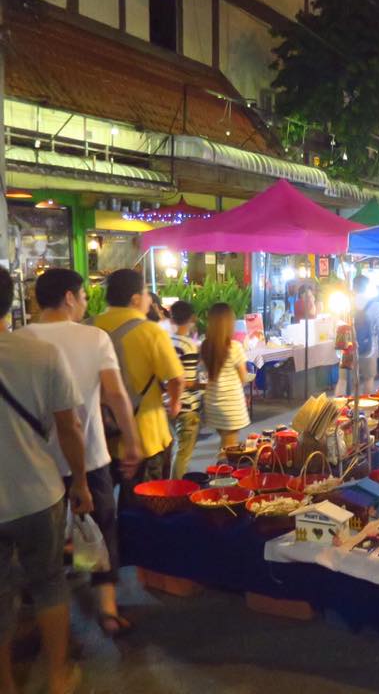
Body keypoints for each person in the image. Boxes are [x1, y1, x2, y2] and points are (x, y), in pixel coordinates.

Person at [20, 269, 142, 638]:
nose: (87, 303)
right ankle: (106, 609)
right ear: (70, 297)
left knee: (45, 541)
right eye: (85, 296)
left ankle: (45, 618)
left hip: (37, 463)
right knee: (102, 529)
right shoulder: (93, 337)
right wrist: (133, 441)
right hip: (90, 455)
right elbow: (116, 394)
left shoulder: (19, 340)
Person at [0, 266, 94, 694]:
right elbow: (69, 427)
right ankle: (59, 677)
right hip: (39, 491)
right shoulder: (38, 353)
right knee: (49, 581)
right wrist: (81, 482)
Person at [94, 269, 184, 499]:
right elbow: (176, 377)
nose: (148, 298)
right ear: (135, 299)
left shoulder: (89, 328)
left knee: (101, 511)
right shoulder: (150, 331)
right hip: (146, 436)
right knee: (145, 508)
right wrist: (174, 404)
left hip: (101, 436)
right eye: (146, 293)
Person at [200, 303, 251, 449]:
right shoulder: (234, 347)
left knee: (225, 443)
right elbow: (243, 377)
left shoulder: (205, 346)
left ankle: (220, 470)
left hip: (212, 402)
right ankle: (221, 471)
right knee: (228, 449)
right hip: (230, 403)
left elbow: (204, 373)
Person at [169, 300, 202, 479]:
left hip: (167, 403)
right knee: (183, 453)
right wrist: (202, 384)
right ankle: (177, 489)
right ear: (192, 318)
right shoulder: (188, 345)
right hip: (186, 405)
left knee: (176, 449)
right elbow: (188, 381)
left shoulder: (167, 341)